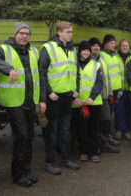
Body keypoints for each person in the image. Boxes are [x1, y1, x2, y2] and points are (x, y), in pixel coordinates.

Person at [0, 22, 39, 187]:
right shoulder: (5, 49)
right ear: (15, 33)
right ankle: (17, 175)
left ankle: (26, 172)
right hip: (14, 101)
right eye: (21, 33)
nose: (24, 36)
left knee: (29, 137)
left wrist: (41, 100)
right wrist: (8, 68)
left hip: (30, 100)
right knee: (21, 136)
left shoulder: (33, 51)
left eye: (27, 33)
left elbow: (39, 75)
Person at [39, 21, 80, 175]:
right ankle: (50, 162)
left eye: (71, 32)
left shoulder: (71, 49)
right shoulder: (48, 48)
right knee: (51, 131)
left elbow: (76, 72)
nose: (71, 34)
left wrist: (75, 89)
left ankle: (66, 159)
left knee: (64, 130)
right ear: (60, 32)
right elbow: (41, 72)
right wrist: (49, 92)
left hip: (67, 97)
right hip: (53, 97)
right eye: (68, 32)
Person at [72, 41, 103, 163]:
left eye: (87, 50)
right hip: (78, 103)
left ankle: (94, 152)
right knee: (81, 129)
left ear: (90, 52)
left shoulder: (96, 65)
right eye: (83, 50)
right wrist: (74, 98)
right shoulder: (73, 65)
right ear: (79, 51)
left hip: (93, 103)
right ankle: (83, 151)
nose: (85, 52)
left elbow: (99, 82)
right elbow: (71, 82)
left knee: (93, 129)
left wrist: (92, 97)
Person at [89, 37, 120, 153]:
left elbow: (107, 77)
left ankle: (104, 142)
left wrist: (110, 93)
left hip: (105, 95)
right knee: (97, 122)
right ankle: (99, 144)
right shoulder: (88, 60)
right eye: (93, 46)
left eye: (97, 45)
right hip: (93, 97)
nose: (96, 47)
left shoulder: (102, 59)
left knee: (106, 119)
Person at [100, 34, 122, 140]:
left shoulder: (115, 55)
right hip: (108, 91)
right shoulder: (102, 55)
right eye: (111, 43)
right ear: (105, 44)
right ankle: (105, 137)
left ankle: (108, 136)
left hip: (116, 89)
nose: (113, 45)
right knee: (106, 116)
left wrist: (120, 88)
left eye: (114, 43)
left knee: (111, 114)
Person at [114, 39, 131, 140]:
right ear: (119, 47)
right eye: (123, 45)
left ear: (129, 47)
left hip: (130, 88)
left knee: (128, 110)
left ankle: (127, 130)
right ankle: (119, 130)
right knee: (119, 110)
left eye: (126, 45)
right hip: (119, 89)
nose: (125, 47)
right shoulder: (115, 58)